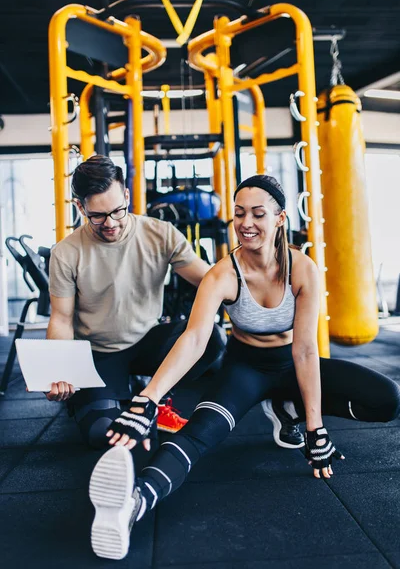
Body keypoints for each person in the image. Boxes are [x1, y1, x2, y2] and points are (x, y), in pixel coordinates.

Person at [88, 173, 400, 561]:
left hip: (290, 364)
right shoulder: (222, 274)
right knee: (199, 434)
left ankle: (290, 408)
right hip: (244, 369)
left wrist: (316, 426)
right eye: (238, 214)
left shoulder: (303, 269)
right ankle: (133, 504)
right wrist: (147, 400)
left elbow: (305, 350)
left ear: (280, 218)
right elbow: (195, 338)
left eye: (258, 214)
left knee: (387, 399)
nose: (246, 223)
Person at [45, 154, 228, 448]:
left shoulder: (160, 233)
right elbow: (61, 319)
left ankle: (153, 394)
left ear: (127, 195)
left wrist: (261, 290)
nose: (111, 223)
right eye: (98, 216)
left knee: (213, 339)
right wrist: (58, 368)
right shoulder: (66, 253)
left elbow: (211, 281)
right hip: (97, 353)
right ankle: (130, 400)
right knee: (103, 436)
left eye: (118, 210)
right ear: (80, 207)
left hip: (148, 342)